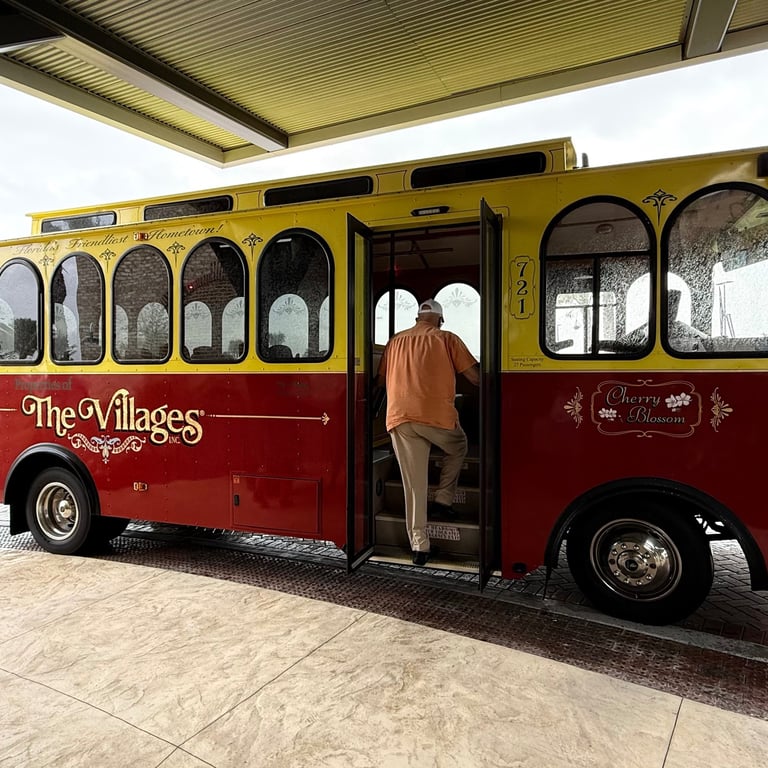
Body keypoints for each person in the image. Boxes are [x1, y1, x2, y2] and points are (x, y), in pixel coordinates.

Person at [376, 298, 480, 565]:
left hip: (399, 417)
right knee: (458, 447)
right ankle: (443, 500)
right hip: (437, 419)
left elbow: (380, 379)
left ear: (417, 319)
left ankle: (419, 547)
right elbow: (476, 378)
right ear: (441, 319)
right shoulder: (447, 339)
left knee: (414, 485)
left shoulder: (395, 341)